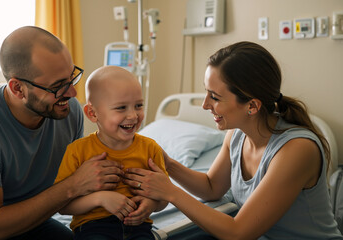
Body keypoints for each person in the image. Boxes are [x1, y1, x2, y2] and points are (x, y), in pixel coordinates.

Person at [124, 41, 343, 239]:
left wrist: (170, 192)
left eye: (215, 97)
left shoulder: (297, 150)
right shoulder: (237, 135)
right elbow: (211, 188)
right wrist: (167, 163)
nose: (205, 105)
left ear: (252, 106)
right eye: (206, 93)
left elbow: (238, 233)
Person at [0, 26, 126, 240]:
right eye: (58, 86)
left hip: (33, 218)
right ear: (18, 89)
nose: (72, 93)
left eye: (71, 77)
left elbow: (80, 185)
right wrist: (73, 185)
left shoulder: (69, 112)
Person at [55, 65, 168, 240]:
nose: (133, 115)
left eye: (138, 105)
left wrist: (152, 204)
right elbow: (63, 206)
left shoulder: (150, 148)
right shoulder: (78, 151)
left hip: (139, 227)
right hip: (94, 229)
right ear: (92, 113)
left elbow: (164, 197)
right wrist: (100, 199)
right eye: (121, 108)